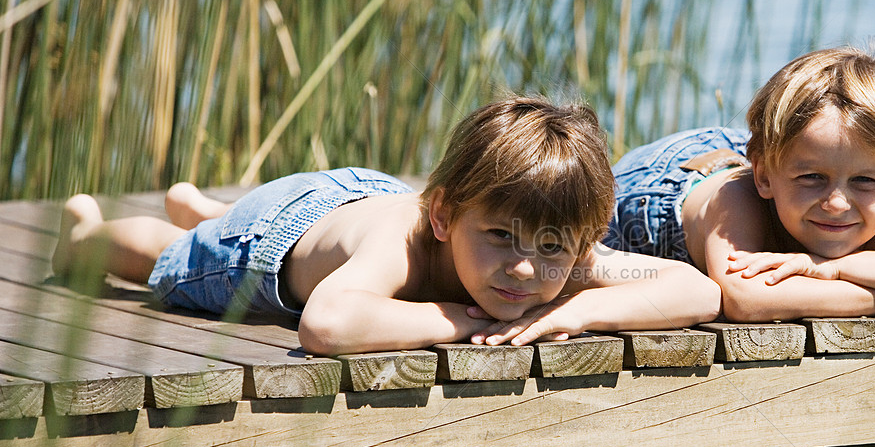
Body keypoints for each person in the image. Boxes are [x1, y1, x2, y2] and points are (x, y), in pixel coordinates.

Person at [52, 96, 721, 354]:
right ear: (444, 217)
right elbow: (326, 324)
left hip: (356, 198)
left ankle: (208, 205)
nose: (525, 268)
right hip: (274, 240)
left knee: (224, 222)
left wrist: (573, 314)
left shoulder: (559, 255)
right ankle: (90, 234)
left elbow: (696, 292)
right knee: (173, 261)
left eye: (552, 249)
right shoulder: (400, 246)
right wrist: (462, 320)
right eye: (500, 238)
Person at [604, 45, 875, 321]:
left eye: (863, 181)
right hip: (660, 190)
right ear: (765, 177)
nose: (836, 202)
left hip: (764, 152)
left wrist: (836, 268)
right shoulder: (737, 199)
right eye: (812, 179)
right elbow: (745, 299)